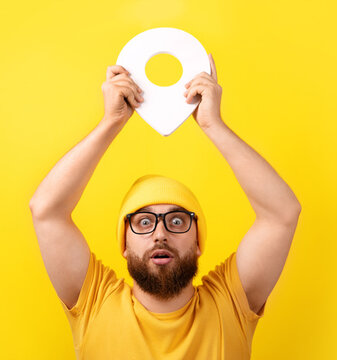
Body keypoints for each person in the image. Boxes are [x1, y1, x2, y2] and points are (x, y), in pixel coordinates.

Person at [29, 53, 301, 359]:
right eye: (144, 222)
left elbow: (282, 213)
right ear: (124, 243)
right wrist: (111, 123)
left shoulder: (231, 303)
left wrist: (213, 124)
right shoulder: (95, 301)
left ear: (198, 241)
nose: (160, 234)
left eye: (176, 221)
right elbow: (46, 210)